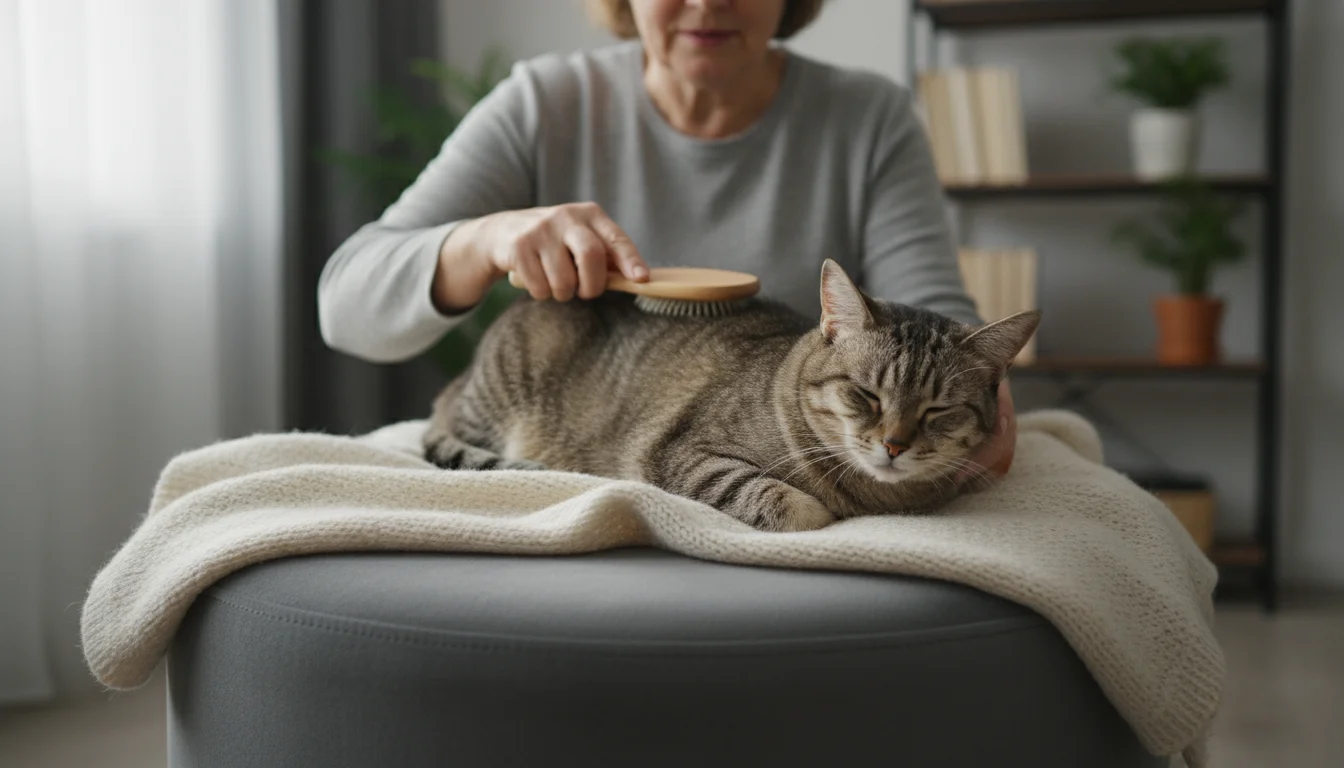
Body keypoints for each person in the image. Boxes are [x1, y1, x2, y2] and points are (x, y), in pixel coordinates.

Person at [318, 0, 1018, 482]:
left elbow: (939, 327)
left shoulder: (868, 118)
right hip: (569, 439)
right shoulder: (544, 103)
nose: (707, 2)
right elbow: (345, 308)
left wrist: (974, 412)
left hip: (766, 471)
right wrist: (483, 241)